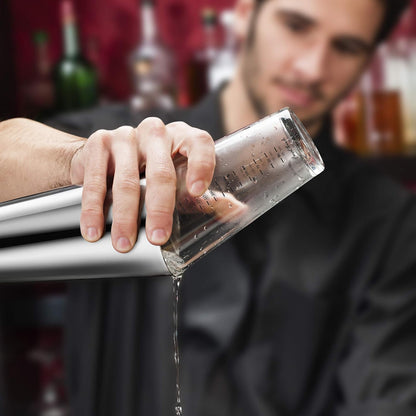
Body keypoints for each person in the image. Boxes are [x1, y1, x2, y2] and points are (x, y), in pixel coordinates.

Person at [1, 0, 415, 415]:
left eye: (346, 47)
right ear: (246, 15)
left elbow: (387, 398)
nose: (312, 68)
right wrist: (77, 161)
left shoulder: (388, 223)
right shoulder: (129, 144)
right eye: (295, 25)